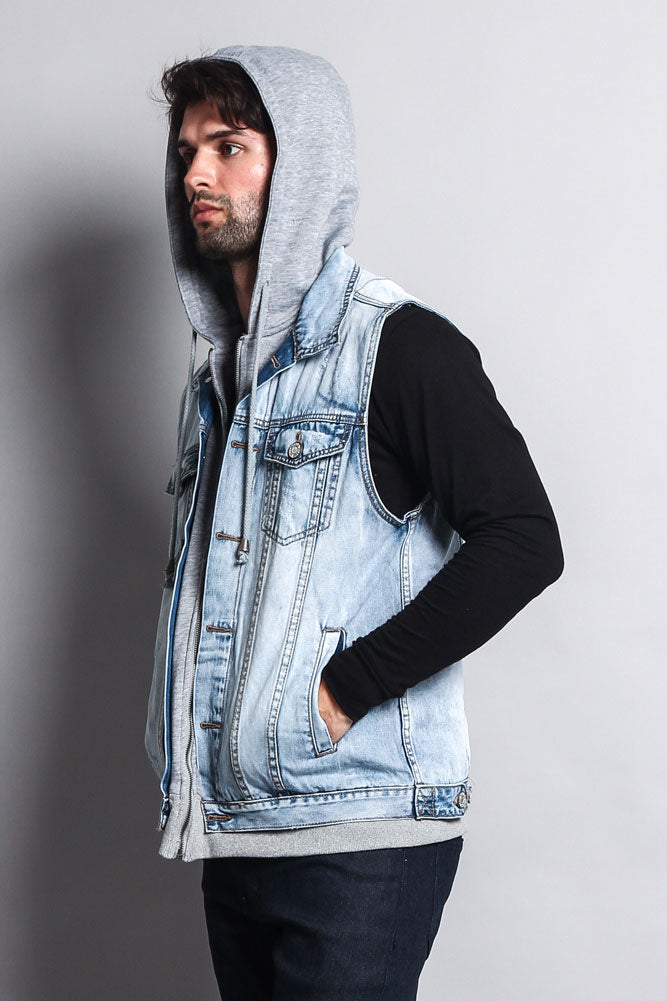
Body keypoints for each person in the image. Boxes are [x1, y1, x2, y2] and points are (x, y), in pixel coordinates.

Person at [144, 44, 564, 1001]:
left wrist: (345, 688)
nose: (196, 174)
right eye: (186, 152)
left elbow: (522, 537)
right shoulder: (216, 388)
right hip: (231, 828)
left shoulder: (398, 346)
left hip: (358, 833)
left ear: (303, 165)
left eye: (229, 146)